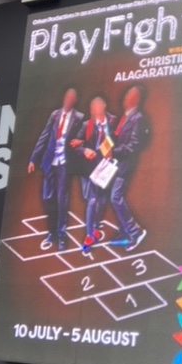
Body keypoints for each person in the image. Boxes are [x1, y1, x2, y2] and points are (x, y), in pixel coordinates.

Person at [28, 87, 84, 251]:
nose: (68, 100)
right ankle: (52, 231)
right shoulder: (55, 115)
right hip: (50, 162)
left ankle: (61, 235)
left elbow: (82, 137)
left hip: (65, 164)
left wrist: (80, 142)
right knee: (47, 198)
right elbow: (44, 136)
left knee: (62, 200)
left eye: (71, 98)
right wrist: (33, 159)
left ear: (74, 101)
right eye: (66, 97)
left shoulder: (79, 118)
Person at [71, 95, 116, 252]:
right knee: (92, 200)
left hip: (106, 167)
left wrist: (113, 151)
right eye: (92, 107)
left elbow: (119, 139)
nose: (94, 109)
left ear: (104, 106)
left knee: (102, 200)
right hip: (89, 168)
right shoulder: (87, 125)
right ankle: (89, 234)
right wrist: (84, 150)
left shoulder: (113, 122)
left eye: (97, 106)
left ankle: (95, 225)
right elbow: (74, 145)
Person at [109, 83, 149, 252]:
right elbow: (116, 138)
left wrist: (113, 152)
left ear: (137, 99)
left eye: (130, 95)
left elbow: (133, 145)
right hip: (115, 163)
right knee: (114, 197)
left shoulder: (138, 118)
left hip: (125, 164)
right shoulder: (124, 116)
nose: (125, 97)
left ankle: (135, 231)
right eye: (126, 95)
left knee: (115, 197)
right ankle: (125, 230)